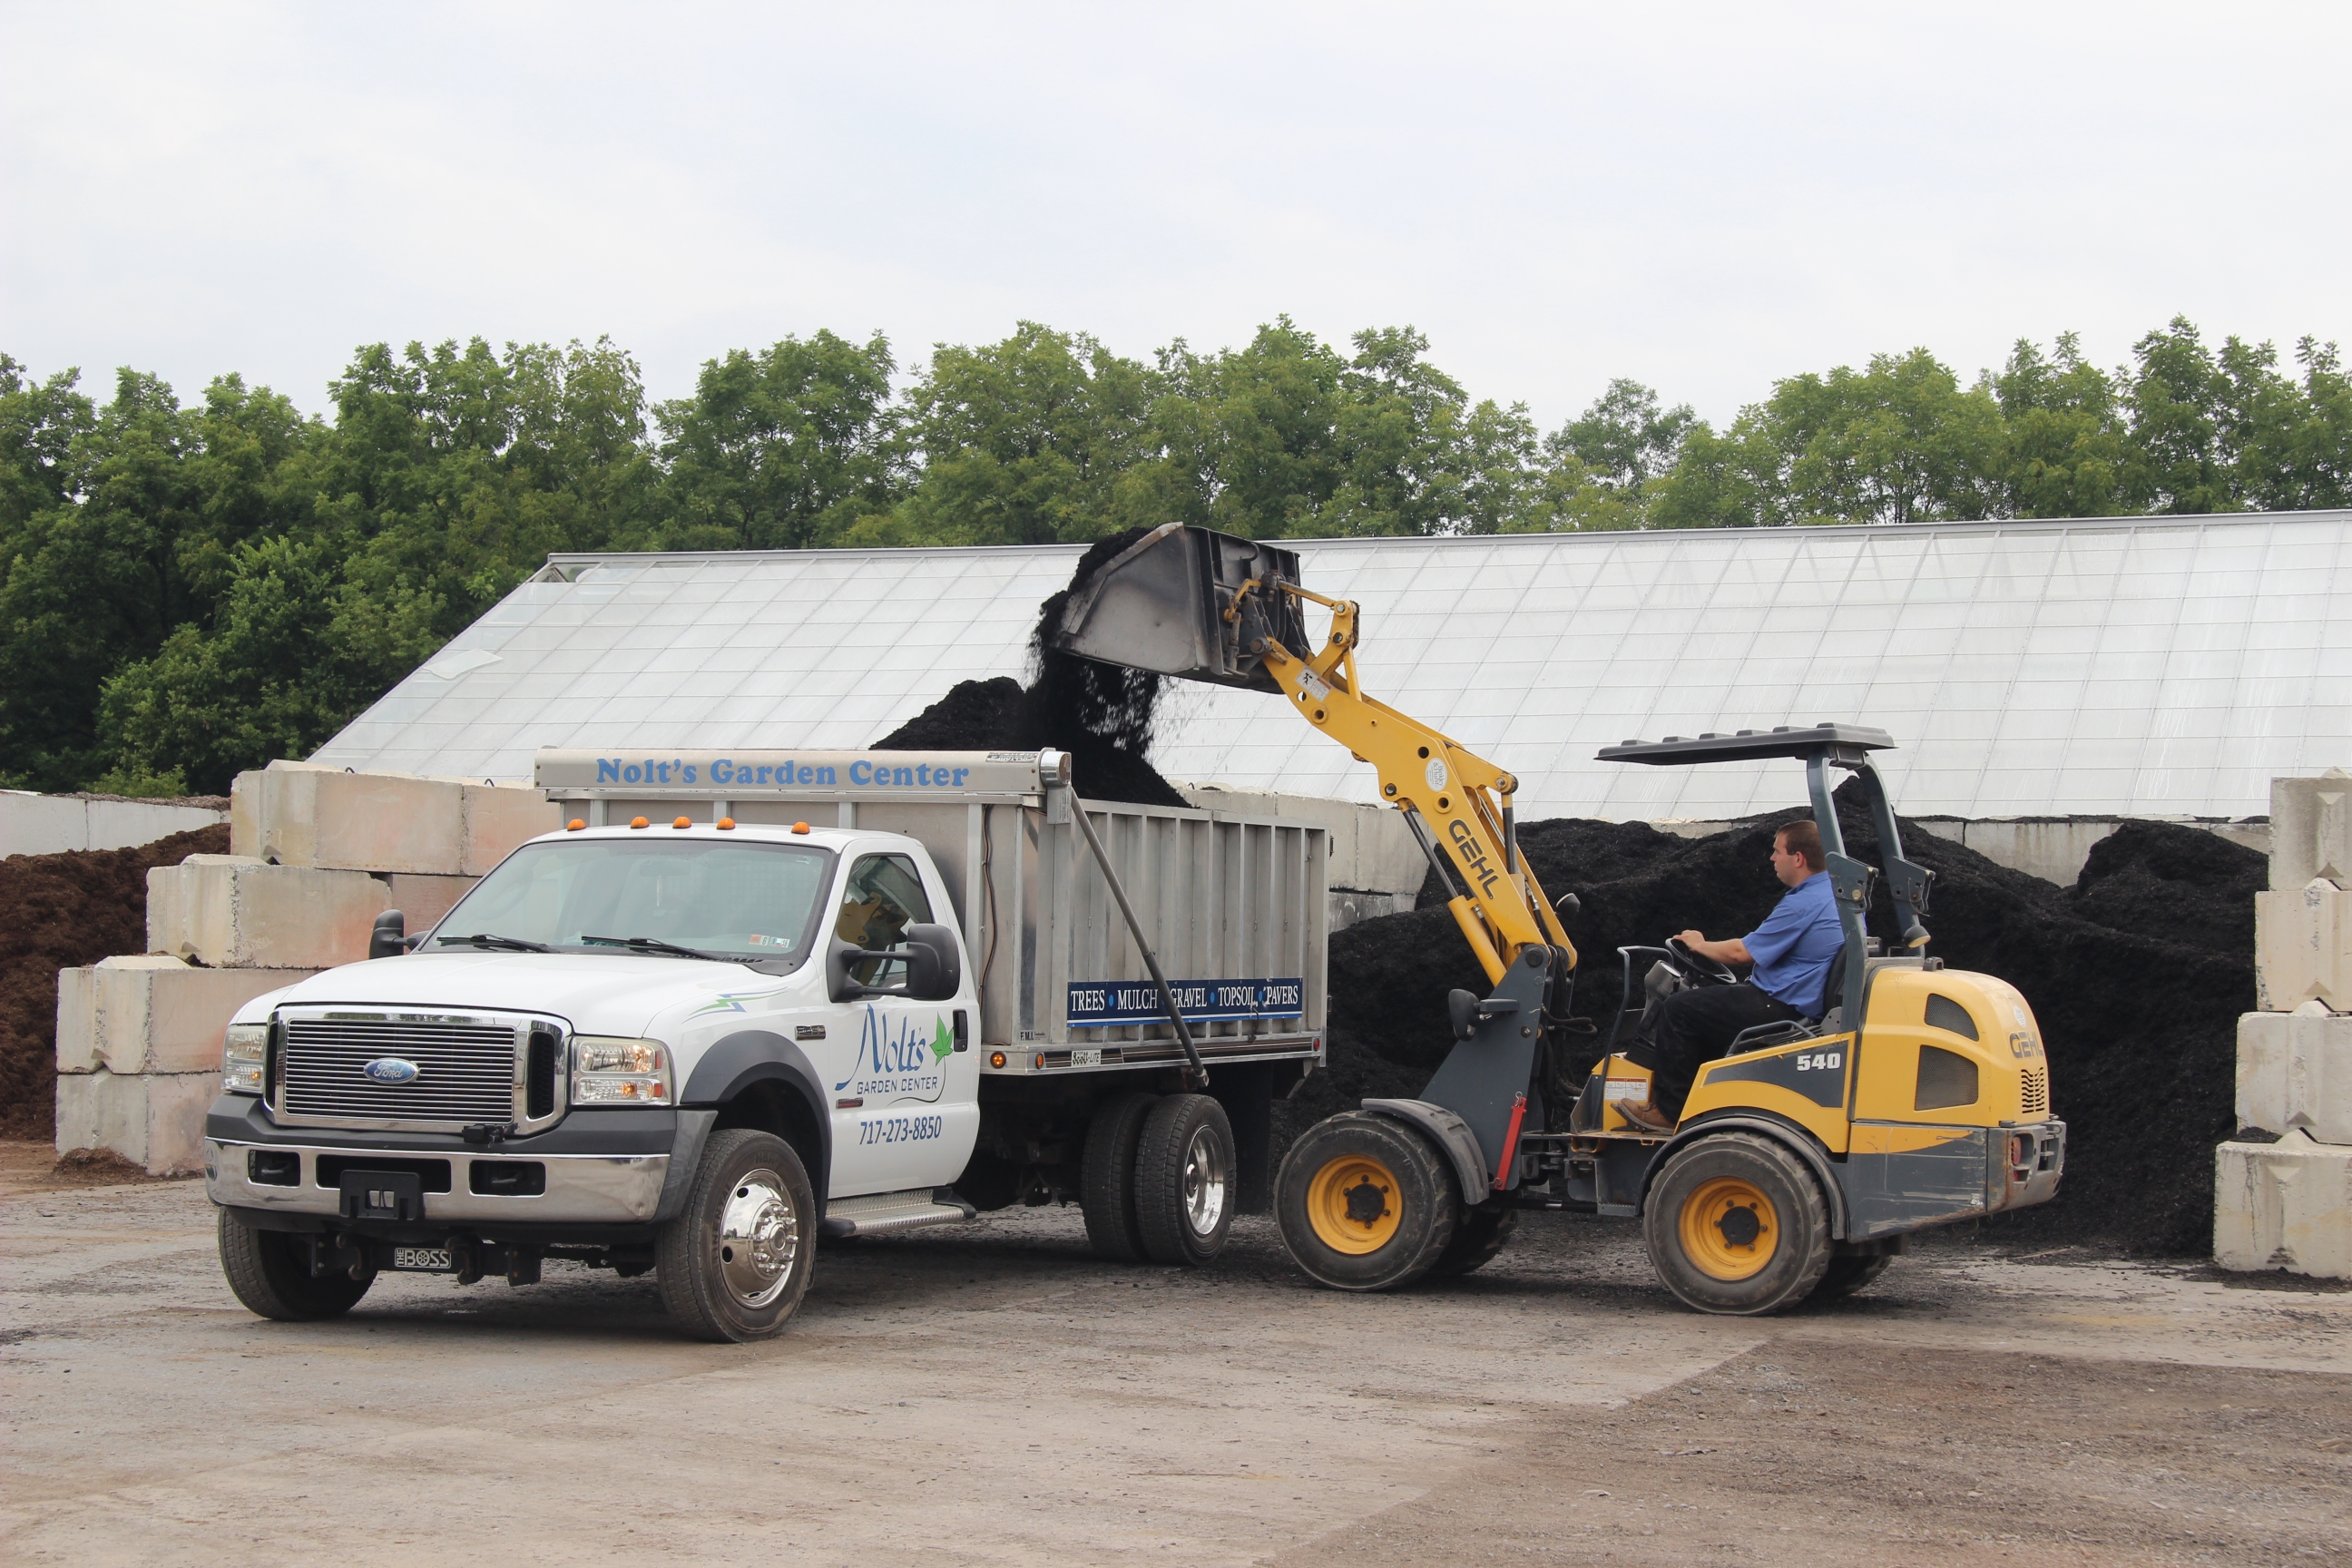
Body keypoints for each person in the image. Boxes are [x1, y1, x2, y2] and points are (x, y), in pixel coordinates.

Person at [1615, 818, 1846, 1133]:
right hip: (1794, 998)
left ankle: (1670, 1113)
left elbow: (1741, 954)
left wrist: (1700, 944)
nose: (1772, 858)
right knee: (1707, 1013)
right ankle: (1704, 1104)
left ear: (1799, 858)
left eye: (1777, 851)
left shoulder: (1805, 903)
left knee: (1679, 1009)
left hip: (1780, 1004)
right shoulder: (1832, 894)